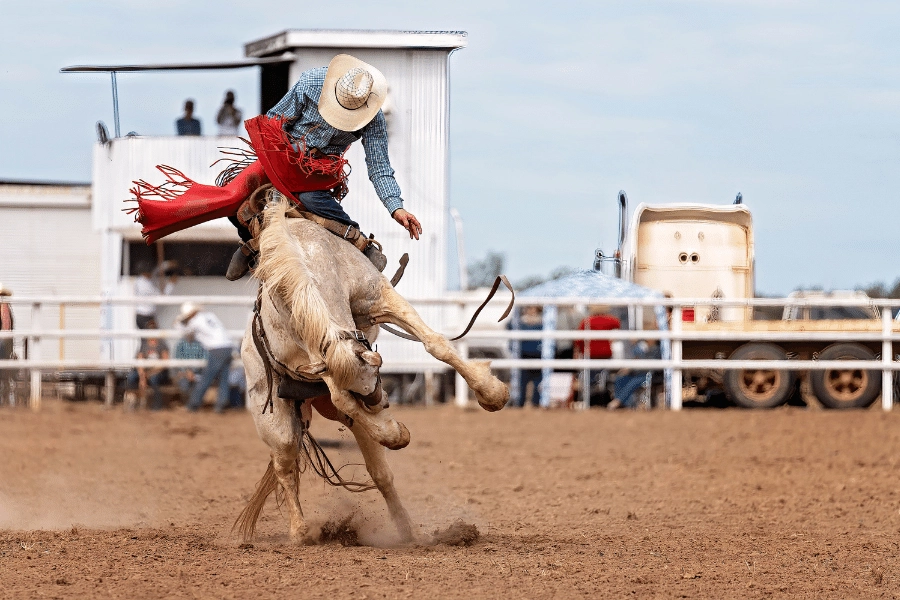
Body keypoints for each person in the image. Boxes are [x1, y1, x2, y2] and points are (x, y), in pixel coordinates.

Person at [223, 54, 423, 280]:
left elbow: (379, 166)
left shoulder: (373, 118)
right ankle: (252, 244)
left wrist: (396, 207)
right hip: (283, 156)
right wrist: (283, 157)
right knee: (232, 194)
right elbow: (273, 121)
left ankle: (360, 240)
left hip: (318, 173)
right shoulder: (310, 84)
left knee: (310, 199)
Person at [176, 302, 234, 413]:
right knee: (223, 378)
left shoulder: (194, 322)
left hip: (217, 349)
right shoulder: (210, 315)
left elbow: (186, 334)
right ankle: (221, 404)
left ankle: (193, 404)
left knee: (206, 378)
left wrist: (179, 324)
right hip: (227, 346)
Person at [573, 306, 621, 406]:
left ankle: (589, 400)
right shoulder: (609, 320)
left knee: (589, 379)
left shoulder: (587, 321)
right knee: (604, 378)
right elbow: (618, 323)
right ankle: (602, 399)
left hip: (591, 354)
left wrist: (577, 353)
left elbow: (578, 340)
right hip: (605, 354)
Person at [124, 318, 170, 410]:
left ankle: (156, 404)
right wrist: (142, 376)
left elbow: (165, 362)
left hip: (158, 371)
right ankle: (133, 400)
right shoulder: (144, 345)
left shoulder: (162, 344)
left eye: (153, 329)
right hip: (145, 371)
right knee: (131, 376)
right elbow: (139, 360)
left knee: (154, 378)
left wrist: (149, 374)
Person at [609, 340, 661, 410]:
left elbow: (651, 366)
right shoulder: (642, 347)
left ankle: (618, 401)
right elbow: (636, 359)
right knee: (621, 377)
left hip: (651, 375)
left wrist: (632, 369)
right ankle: (623, 404)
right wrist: (629, 369)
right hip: (638, 372)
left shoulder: (657, 349)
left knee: (635, 381)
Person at [514, 305, 544, 407]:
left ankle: (536, 403)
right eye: (528, 308)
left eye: (532, 308)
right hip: (524, 355)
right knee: (522, 382)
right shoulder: (520, 322)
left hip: (538, 355)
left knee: (538, 383)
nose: (530, 310)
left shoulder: (543, 322)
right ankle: (520, 403)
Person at [134, 261, 177, 329]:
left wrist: (167, 264)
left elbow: (156, 270)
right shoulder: (145, 286)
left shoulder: (140, 279)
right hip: (145, 317)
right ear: (145, 273)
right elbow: (163, 297)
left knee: (148, 337)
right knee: (152, 338)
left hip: (143, 315)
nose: (151, 273)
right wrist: (171, 284)